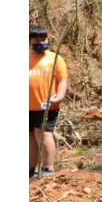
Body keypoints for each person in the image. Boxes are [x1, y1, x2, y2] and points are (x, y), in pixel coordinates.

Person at [29, 25, 68, 179]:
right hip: (28, 106)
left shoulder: (55, 58)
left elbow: (63, 80)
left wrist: (58, 97)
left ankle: (48, 168)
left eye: (43, 39)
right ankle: (31, 169)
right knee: (30, 136)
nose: (40, 42)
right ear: (30, 41)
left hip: (47, 105)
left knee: (44, 134)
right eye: (36, 40)